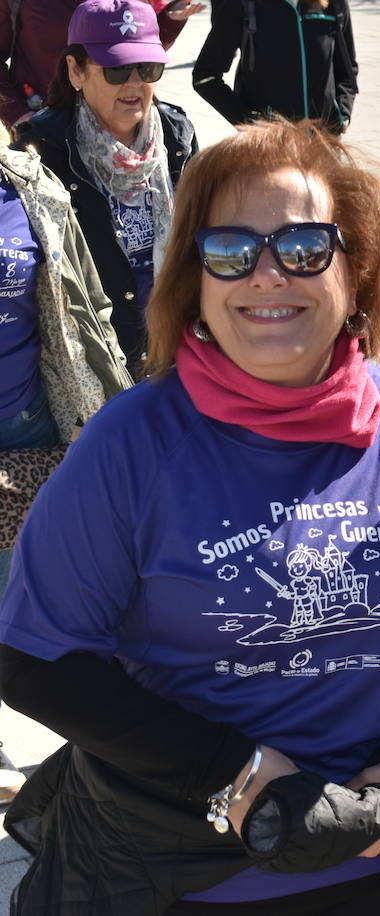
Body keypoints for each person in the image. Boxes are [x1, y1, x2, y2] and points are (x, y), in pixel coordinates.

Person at [0, 118, 380, 913]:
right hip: (177, 872)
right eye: (230, 251)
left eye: (305, 248)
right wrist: (234, 775)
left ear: (357, 271)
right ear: (196, 282)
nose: (268, 275)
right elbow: (33, 657)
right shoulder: (133, 441)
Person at [0, 137, 133, 804]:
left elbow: (87, 304)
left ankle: (85, 748)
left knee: (41, 595)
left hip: (27, 423)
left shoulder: (30, 186)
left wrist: (103, 404)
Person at [14, 0, 197, 376]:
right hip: (96, 364)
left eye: (147, 68)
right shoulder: (42, 152)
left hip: (182, 353)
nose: (134, 83)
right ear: (75, 71)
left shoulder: (179, 137)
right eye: (116, 69)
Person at [0, 0, 202, 126]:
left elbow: (135, 54)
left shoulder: (178, 133)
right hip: (41, 121)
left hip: (121, 126)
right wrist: (17, 113)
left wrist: (169, 22)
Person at [192, 0, 358, 134]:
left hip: (324, 143)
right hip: (269, 150)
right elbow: (205, 76)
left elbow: (347, 68)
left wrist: (342, 113)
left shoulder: (334, 4)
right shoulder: (242, 5)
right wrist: (250, 123)